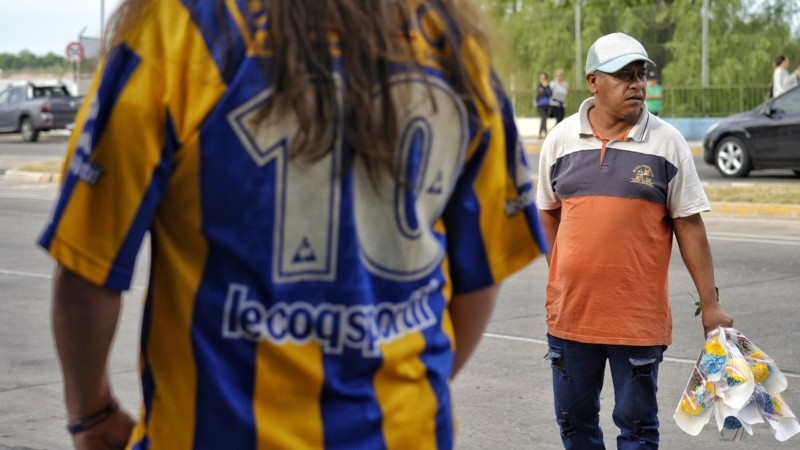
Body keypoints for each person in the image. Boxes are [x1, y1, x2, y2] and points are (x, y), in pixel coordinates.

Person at [38, 1, 548, 449]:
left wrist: (92, 413)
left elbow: (88, 269)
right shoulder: (454, 44)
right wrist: (400, 392)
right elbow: (480, 270)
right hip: (406, 431)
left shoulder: (179, 25)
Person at [536, 32, 733, 449]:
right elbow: (548, 212)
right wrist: (565, 269)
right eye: (624, 75)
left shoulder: (667, 142)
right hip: (572, 317)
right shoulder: (560, 140)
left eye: (641, 73)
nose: (638, 84)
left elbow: (690, 227)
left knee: (638, 430)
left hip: (636, 323)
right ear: (593, 81)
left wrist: (710, 304)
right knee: (574, 425)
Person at [535, 72, 553, 138]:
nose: (543, 79)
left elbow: (550, 94)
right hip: (540, 105)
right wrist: (544, 88)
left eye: (544, 78)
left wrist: (546, 87)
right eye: (541, 78)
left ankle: (540, 134)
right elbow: (540, 94)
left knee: (543, 119)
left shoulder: (548, 86)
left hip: (547, 105)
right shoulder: (538, 86)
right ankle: (545, 133)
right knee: (544, 117)